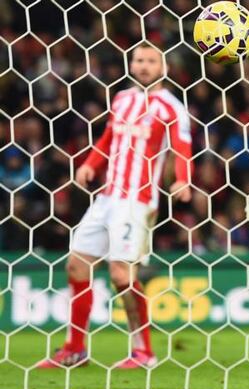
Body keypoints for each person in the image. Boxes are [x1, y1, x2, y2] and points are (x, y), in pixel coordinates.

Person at [36, 42, 193, 369]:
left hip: (137, 201)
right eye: (139, 60)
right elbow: (108, 138)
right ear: (131, 64)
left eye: (152, 60)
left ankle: (144, 352)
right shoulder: (122, 98)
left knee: (122, 275)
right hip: (107, 196)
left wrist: (182, 178)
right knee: (76, 265)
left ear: (163, 68)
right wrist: (90, 163)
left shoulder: (170, 107)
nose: (145, 65)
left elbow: (182, 146)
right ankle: (75, 349)